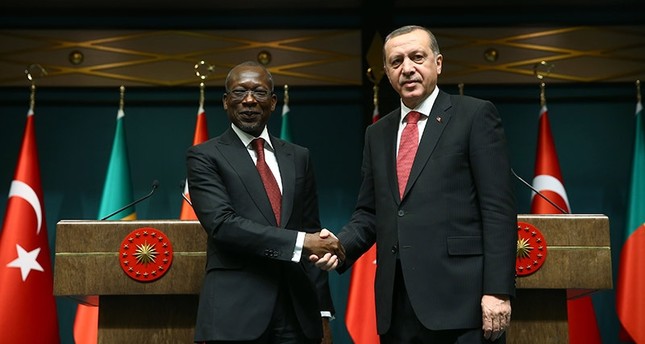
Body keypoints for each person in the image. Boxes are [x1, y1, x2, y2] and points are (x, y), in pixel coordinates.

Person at [312, 25, 517, 343]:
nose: (407, 68)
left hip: (463, 304)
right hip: (397, 306)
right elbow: (369, 212)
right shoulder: (377, 133)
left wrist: (498, 291)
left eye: (417, 57)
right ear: (387, 73)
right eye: (396, 62)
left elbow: (498, 210)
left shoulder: (474, 116)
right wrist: (341, 247)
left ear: (438, 63)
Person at [187, 61, 343, 344]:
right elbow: (222, 225)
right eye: (239, 92)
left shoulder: (299, 157)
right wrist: (301, 242)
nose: (249, 100)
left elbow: (312, 231)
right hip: (235, 314)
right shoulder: (204, 157)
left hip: (297, 315)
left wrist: (322, 311)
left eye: (259, 92)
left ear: (273, 102)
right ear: (225, 102)